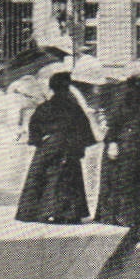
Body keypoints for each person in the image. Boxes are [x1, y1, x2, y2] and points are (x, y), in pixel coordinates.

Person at [15, 72, 96, 224]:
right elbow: (84, 128)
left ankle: (41, 211)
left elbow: (34, 126)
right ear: (67, 88)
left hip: (49, 146)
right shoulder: (74, 107)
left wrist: (38, 141)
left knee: (43, 176)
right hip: (69, 146)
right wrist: (80, 147)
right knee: (68, 178)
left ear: (52, 88)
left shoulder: (45, 106)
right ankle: (68, 213)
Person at [95, 62, 140, 230]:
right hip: (132, 141)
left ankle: (127, 216)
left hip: (132, 141)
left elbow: (121, 116)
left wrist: (112, 140)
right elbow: (118, 117)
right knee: (131, 180)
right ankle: (128, 217)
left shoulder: (134, 91)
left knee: (130, 179)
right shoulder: (134, 91)